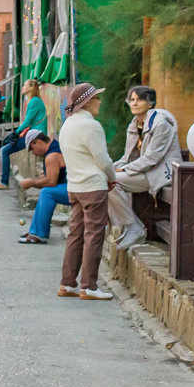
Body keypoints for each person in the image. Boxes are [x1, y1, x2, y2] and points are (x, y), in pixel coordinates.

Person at [58, 82, 116, 300]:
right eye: (97, 98)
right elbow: (103, 159)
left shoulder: (67, 125)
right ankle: (89, 286)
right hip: (93, 186)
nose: (99, 102)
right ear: (88, 102)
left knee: (75, 234)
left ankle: (67, 283)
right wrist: (112, 178)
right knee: (94, 235)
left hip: (74, 186)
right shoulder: (91, 126)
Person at [110, 85, 182, 250]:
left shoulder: (161, 123)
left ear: (150, 103)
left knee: (110, 183)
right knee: (104, 179)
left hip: (160, 174)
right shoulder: (135, 124)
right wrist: (110, 168)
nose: (134, 104)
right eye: (132, 100)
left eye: (139, 100)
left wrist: (125, 170)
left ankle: (133, 228)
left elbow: (152, 158)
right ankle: (131, 226)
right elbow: (128, 157)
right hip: (144, 172)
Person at [0, 78, 48, 190]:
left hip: (36, 136)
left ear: (31, 87)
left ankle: (4, 182)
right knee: (6, 150)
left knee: (4, 150)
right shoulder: (33, 101)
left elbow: (27, 121)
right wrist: (19, 132)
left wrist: (16, 132)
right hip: (34, 133)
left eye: (25, 85)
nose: (22, 87)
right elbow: (31, 122)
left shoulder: (35, 101)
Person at [18, 130, 68, 244]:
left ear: (38, 142)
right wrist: (32, 180)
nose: (33, 153)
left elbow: (51, 182)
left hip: (76, 189)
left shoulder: (52, 156)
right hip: (72, 187)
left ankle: (39, 234)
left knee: (47, 192)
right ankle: (35, 231)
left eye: (32, 149)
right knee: (46, 192)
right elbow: (48, 176)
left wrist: (31, 183)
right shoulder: (54, 149)